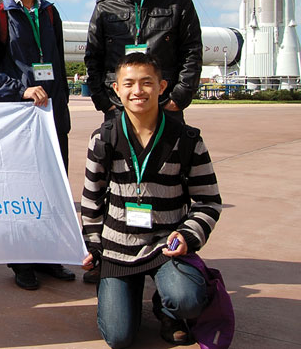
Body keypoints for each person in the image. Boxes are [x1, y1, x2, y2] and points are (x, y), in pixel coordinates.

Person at [81, 53, 222, 348]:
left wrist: (186, 235)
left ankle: (168, 310)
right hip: (118, 250)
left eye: (147, 83)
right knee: (118, 337)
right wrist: (93, 245)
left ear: (162, 86)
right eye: (129, 83)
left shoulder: (187, 140)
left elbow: (208, 201)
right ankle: (120, 290)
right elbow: (91, 200)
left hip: (165, 246)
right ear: (116, 89)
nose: (138, 91)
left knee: (187, 299)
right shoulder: (103, 139)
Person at [0, 0, 74, 290]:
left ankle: (47, 256)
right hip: (17, 117)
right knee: (21, 189)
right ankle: (22, 262)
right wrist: (20, 88)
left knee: (52, 186)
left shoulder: (49, 12)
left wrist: (60, 106)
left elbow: (57, 63)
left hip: (51, 116)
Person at [84, 0, 202, 123]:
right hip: (118, 107)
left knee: (170, 153)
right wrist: (105, 102)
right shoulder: (105, 8)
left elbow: (192, 53)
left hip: (165, 104)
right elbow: (93, 58)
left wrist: (178, 100)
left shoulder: (178, 2)